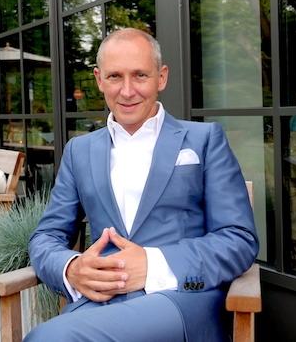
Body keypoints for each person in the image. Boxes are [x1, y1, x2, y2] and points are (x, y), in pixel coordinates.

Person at [26, 28, 258, 341]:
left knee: (49, 339)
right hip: (99, 304)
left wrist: (152, 264)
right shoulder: (79, 151)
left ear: (161, 78)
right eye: (114, 77)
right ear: (98, 80)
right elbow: (47, 236)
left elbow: (238, 239)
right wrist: (71, 268)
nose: (127, 90)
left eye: (140, 75)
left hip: (180, 301)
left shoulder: (204, 141)